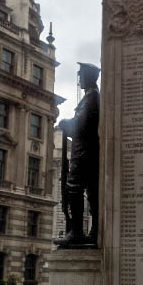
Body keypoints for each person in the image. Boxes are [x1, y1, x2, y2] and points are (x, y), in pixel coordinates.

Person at [57, 62, 100, 246]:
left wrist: (66, 123)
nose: (79, 78)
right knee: (91, 192)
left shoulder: (91, 97)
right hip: (86, 151)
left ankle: (76, 232)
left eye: (81, 75)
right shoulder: (91, 97)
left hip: (83, 153)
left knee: (74, 188)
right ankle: (94, 231)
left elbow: (81, 124)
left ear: (88, 76)